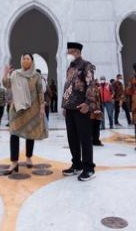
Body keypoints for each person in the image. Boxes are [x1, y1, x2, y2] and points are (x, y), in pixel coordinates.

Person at [2, 53, 48, 174]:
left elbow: (40, 92)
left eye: (27, 59)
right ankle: (14, 162)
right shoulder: (16, 73)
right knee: (14, 134)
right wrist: (6, 73)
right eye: (23, 59)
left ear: (32, 61)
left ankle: (28, 157)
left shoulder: (36, 75)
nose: (25, 61)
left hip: (32, 109)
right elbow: (7, 85)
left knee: (30, 134)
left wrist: (42, 107)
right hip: (17, 109)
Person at [61, 42, 97, 182]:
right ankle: (77, 164)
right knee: (72, 138)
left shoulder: (86, 66)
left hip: (81, 107)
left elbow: (91, 85)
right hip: (70, 108)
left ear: (76, 51)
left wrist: (88, 103)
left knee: (85, 138)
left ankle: (89, 168)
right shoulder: (70, 68)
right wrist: (64, 105)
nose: (67, 54)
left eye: (69, 52)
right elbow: (68, 87)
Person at [90, 80, 104, 146]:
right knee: (91, 126)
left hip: (97, 110)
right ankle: (91, 140)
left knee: (97, 126)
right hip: (90, 111)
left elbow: (100, 100)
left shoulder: (97, 89)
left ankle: (96, 140)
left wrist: (101, 109)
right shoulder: (87, 89)